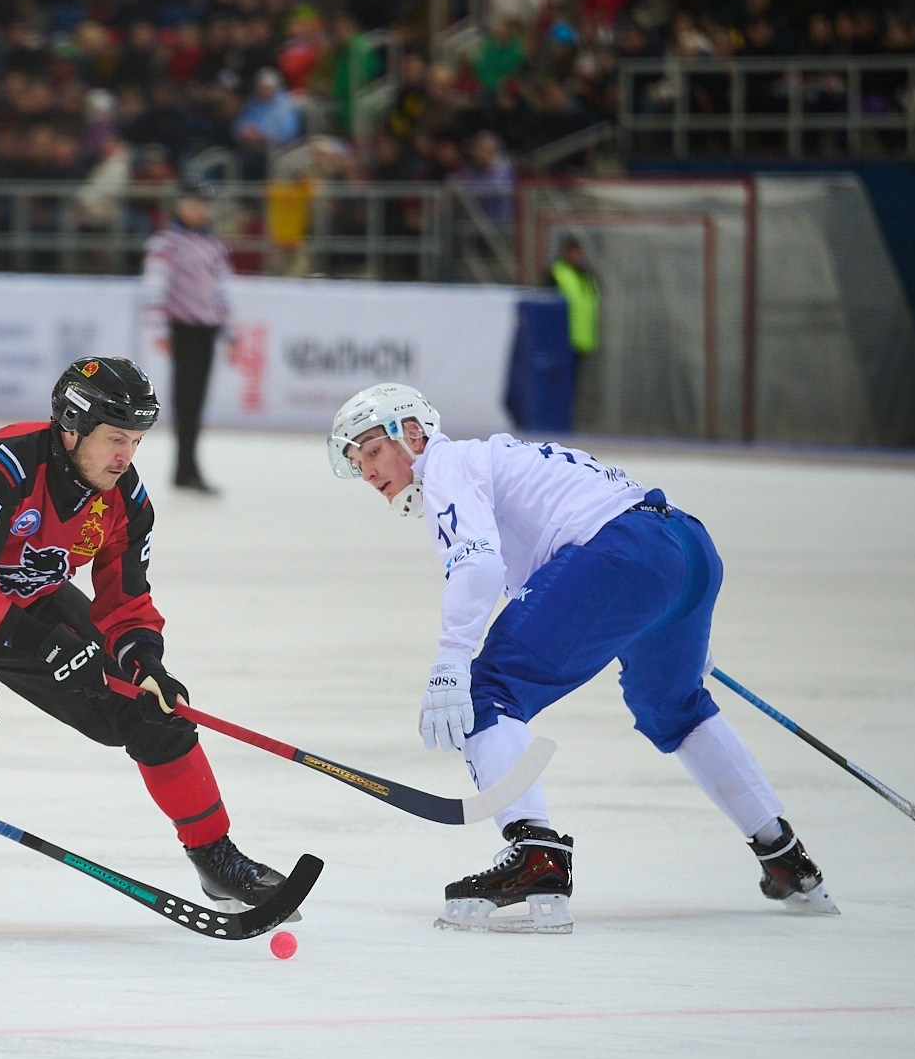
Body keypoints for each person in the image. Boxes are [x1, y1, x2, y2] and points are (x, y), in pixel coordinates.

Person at [326, 383, 835, 934]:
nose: (367, 472)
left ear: (413, 433)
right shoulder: (493, 459)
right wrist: (659, 611)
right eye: (357, 464)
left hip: (620, 554)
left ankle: (535, 855)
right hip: (685, 548)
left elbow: (479, 567)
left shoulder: (446, 465)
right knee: (672, 706)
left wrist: (451, 659)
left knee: (488, 690)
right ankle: (783, 855)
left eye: (372, 450)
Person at [0, 357, 294, 944]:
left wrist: (143, 661)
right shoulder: (1, 465)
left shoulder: (125, 499)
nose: (126, 456)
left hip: (27, 593)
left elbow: (126, 602)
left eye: (136, 441)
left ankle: (217, 858)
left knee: (152, 707)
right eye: (115, 438)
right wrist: (43, 644)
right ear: (72, 429)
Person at [141, 182, 233, 493]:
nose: (197, 210)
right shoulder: (166, 244)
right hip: (184, 329)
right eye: (192, 203)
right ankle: (184, 467)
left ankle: (188, 466)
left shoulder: (212, 245)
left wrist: (230, 331)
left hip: (207, 330)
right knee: (186, 401)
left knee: (196, 401)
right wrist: (158, 328)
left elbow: (221, 291)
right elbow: (155, 288)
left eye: (202, 204)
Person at [549, 235, 600, 400]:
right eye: (572, 252)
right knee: (559, 384)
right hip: (563, 341)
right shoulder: (557, 275)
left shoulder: (587, 277)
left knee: (574, 386)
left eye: (578, 252)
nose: (576, 256)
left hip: (582, 341)